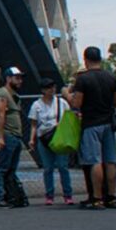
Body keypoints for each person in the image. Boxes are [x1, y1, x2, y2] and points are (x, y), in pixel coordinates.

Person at [63, 47, 116, 210]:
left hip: (91, 123)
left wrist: (66, 94)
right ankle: (111, 197)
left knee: (94, 161)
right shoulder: (111, 77)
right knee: (110, 160)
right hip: (108, 122)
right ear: (100, 59)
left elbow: (77, 103)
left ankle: (97, 197)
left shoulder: (83, 79)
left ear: (86, 60)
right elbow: (115, 101)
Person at [28, 77, 73, 205]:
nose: (52, 90)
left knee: (63, 166)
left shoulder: (61, 103)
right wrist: (31, 139)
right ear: (43, 90)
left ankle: (68, 194)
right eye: (48, 88)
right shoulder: (36, 105)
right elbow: (34, 124)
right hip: (44, 138)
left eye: (53, 87)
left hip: (59, 137)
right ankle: (49, 195)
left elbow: (68, 118)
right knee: (48, 168)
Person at [0, 67, 26, 208]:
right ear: (8, 78)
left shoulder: (14, 95)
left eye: (20, 78)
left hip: (16, 135)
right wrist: (0, 137)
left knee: (11, 168)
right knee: (2, 167)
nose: (19, 81)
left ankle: (9, 194)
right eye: (16, 78)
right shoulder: (2, 94)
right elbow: (0, 115)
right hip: (7, 134)